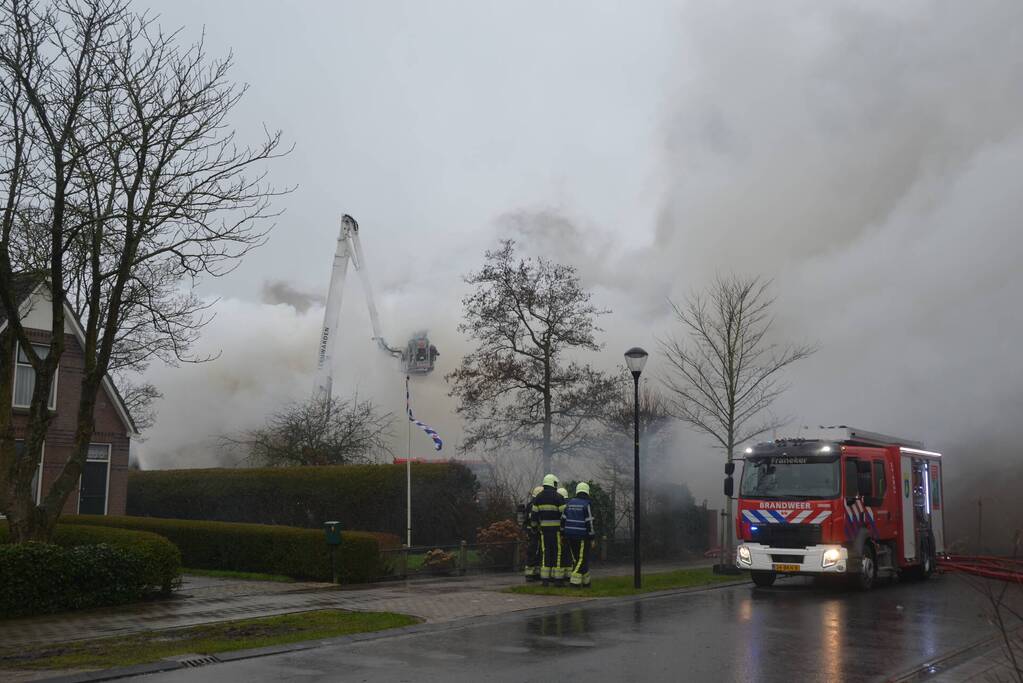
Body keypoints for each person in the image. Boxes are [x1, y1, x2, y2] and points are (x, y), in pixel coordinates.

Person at [530, 473, 566, 585]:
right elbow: (564, 515)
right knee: (557, 553)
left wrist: (534, 528)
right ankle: (558, 579)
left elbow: (534, 516)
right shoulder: (558, 497)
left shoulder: (538, 497)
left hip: (544, 531)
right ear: (553, 483)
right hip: (557, 531)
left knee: (545, 552)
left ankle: (545, 579)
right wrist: (563, 530)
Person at [562, 481, 596, 588]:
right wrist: (592, 537)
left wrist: (562, 533)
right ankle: (574, 582)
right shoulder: (586, 504)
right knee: (582, 559)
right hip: (582, 536)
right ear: (587, 492)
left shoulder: (569, 503)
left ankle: (586, 582)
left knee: (576, 559)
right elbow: (589, 522)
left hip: (569, 535)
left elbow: (563, 519)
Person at [522, 485, 543, 581]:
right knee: (533, 551)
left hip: (532, 532)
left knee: (537, 552)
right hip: (534, 532)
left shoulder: (530, 505)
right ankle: (530, 574)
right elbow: (533, 519)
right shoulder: (533, 506)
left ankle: (535, 572)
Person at [557, 486, 575, 583]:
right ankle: (569, 574)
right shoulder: (570, 504)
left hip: (561, 533)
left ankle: (560, 576)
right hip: (571, 533)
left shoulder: (560, 505)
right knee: (569, 554)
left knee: (561, 554)